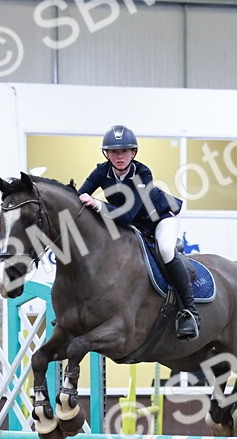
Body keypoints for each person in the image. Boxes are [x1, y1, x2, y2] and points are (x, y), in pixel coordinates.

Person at [74, 125, 198, 340]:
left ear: (133, 153)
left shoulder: (142, 172)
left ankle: (190, 312)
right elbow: (78, 199)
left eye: (124, 151)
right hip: (134, 224)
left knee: (166, 250)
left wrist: (96, 203)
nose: (119, 156)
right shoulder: (101, 171)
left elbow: (126, 215)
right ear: (107, 154)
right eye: (113, 151)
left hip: (159, 219)